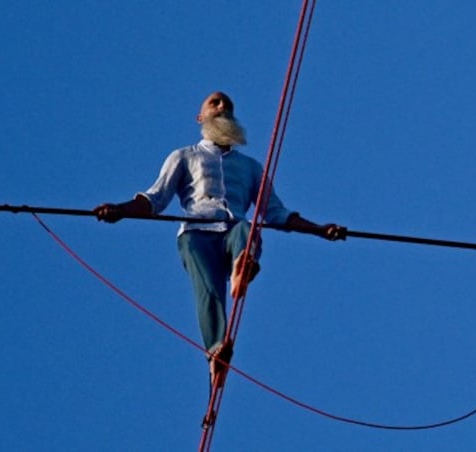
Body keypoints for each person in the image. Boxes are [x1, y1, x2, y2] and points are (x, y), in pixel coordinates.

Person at [93, 91, 346, 385]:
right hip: (196, 234)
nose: (223, 106)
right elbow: (154, 199)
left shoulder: (251, 167)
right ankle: (216, 352)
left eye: (228, 104)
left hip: (234, 231)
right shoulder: (184, 156)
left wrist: (319, 229)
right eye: (215, 103)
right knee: (209, 291)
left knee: (245, 228)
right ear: (200, 117)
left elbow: (275, 212)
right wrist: (120, 210)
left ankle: (243, 263)